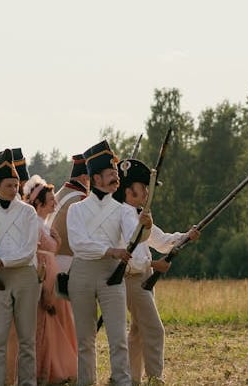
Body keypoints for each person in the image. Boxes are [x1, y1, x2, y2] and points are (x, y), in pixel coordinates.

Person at [65, 140, 146, 386]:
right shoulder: (76, 210)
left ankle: (122, 380)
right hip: (82, 273)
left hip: (112, 273)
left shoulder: (122, 210)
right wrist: (110, 250)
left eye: (115, 173)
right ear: (96, 178)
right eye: (111, 173)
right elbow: (78, 244)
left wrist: (145, 225)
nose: (116, 178)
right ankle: (86, 381)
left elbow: (134, 238)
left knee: (118, 336)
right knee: (85, 338)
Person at [112, 159, 199, 385]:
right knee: (154, 330)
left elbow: (160, 241)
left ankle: (132, 378)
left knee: (138, 331)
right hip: (132, 278)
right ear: (129, 190)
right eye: (143, 187)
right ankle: (154, 378)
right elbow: (131, 253)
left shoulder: (139, 214)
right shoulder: (124, 214)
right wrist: (153, 265)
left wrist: (186, 237)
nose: (147, 192)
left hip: (141, 278)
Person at [0, 149, 43, 386]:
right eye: (8, 185)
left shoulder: (28, 212)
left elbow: (28, 251)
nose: (14, 189)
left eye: (16, 185)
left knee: (27, 339)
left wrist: (1, 261)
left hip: (25, 276)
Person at [23, 176, 78, 384]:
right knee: (44, 323)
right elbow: (38, 256)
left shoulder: (46, 226)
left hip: (53, 275)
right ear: (39, 203)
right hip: (44, 276)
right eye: (51, 200)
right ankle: (44, 370)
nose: (55, 202)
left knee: (58, 321)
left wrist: (58, 243)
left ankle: (57, 366)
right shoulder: (35, 226)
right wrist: (44, 286)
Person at [53, 154, 90, 297]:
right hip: (70, 262)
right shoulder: (81, 199)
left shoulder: (60, 194)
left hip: (53, 261)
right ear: (84, 178)